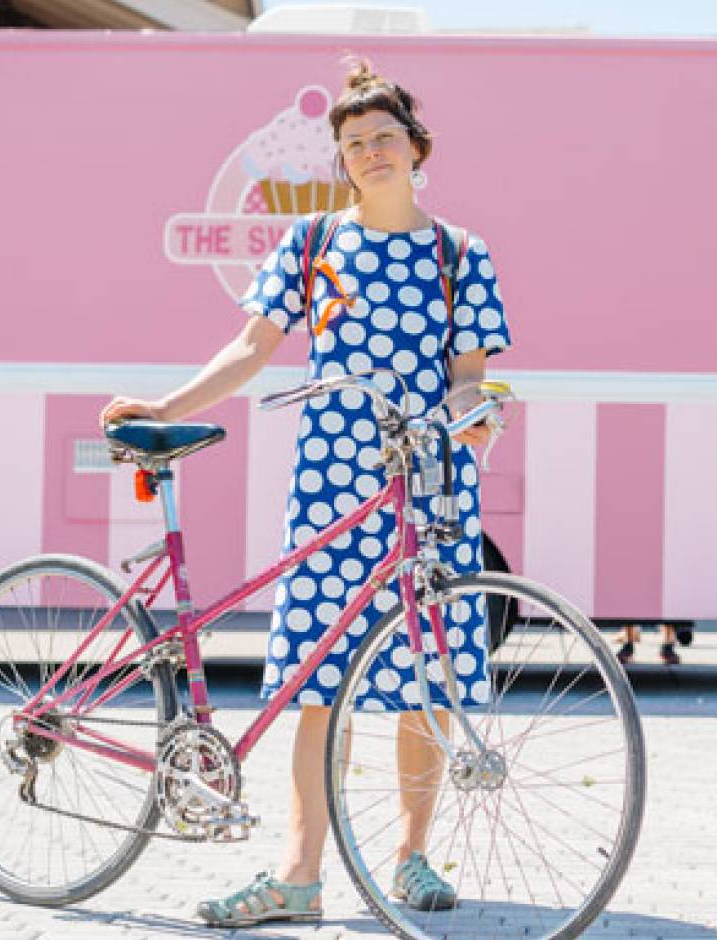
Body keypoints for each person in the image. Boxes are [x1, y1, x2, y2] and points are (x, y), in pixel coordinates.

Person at [99, 60, 511, 928]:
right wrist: (165, 406)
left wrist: (477, 419)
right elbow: (252, 349)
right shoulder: (314, 244)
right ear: (341, 160)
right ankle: (298, 874)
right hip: (332, 481)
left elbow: (470, 376)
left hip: (430, 483)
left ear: (416, 145)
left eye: (384, 138)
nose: (370, 153)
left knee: (423, 676)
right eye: (354, 144)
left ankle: (412, 858)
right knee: (319, 681)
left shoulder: (460, 254)